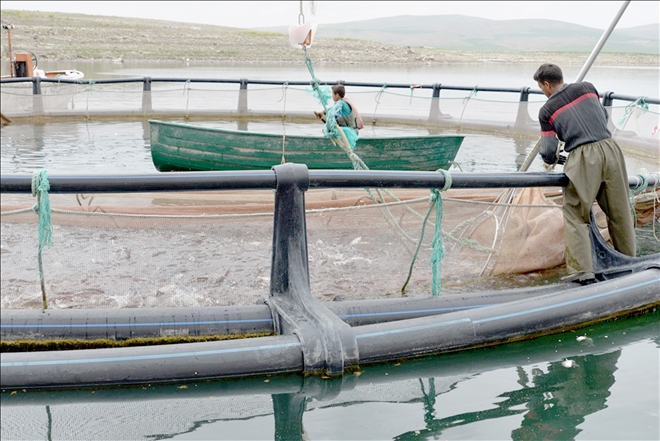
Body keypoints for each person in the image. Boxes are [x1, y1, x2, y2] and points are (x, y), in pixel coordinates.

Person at [533, 63, 636, 284]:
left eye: (541, 87)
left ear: (547, 84)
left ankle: (582, 272)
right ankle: (629, 264)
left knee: (575, 213)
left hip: (582, 156)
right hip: (610, 149)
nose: (543, 91)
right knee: (619, 211)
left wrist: (552, 160)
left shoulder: (546, 111)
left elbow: (549, 151)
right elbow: (602, 116)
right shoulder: (588, 88)